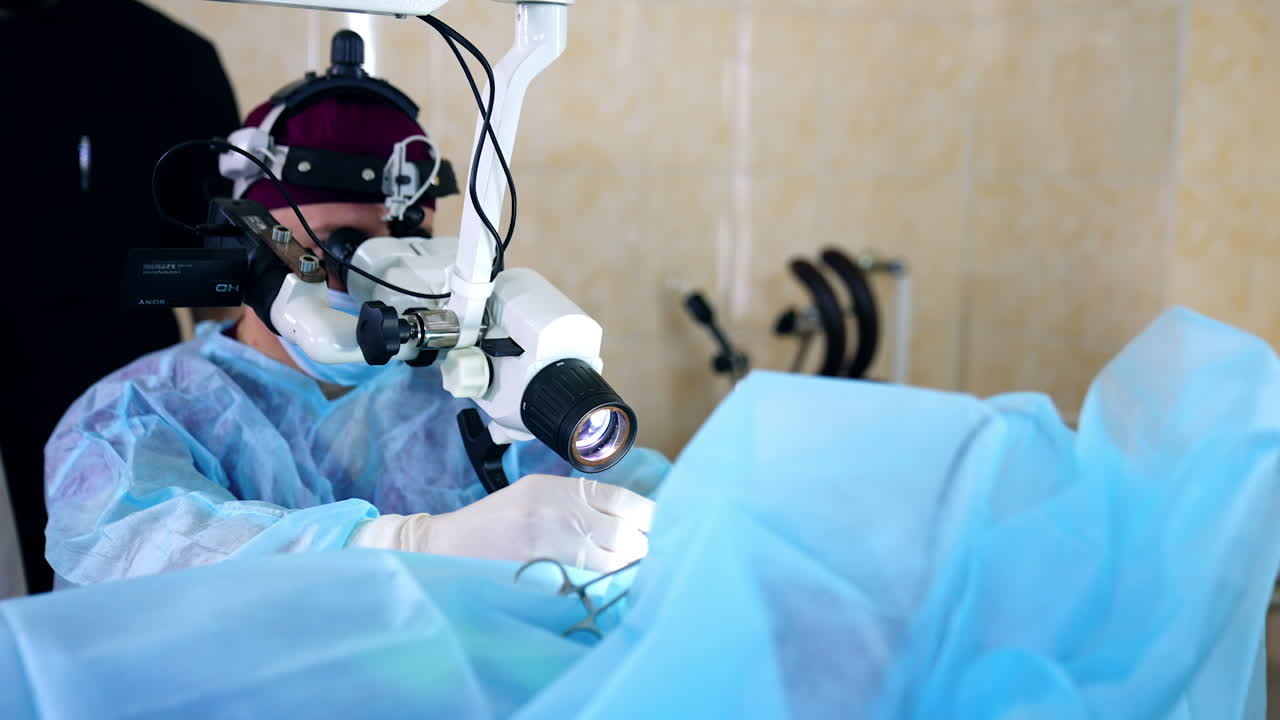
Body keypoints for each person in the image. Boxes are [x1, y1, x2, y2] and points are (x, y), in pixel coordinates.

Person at [42, 46, 668, 588]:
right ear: (250, 238)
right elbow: (150, 565)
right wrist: (407, 545)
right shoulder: (133, 418)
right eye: (342, 246)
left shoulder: (465, 394)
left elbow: (654, 502)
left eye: (408, 244)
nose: (380, 277)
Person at [0, 0, 240, 593]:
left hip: (131, 389)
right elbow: (211, 275)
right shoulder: (180, 55)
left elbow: (213, 268)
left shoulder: (176, 60)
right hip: (64, 377)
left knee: (123, 575)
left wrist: (231, 392)